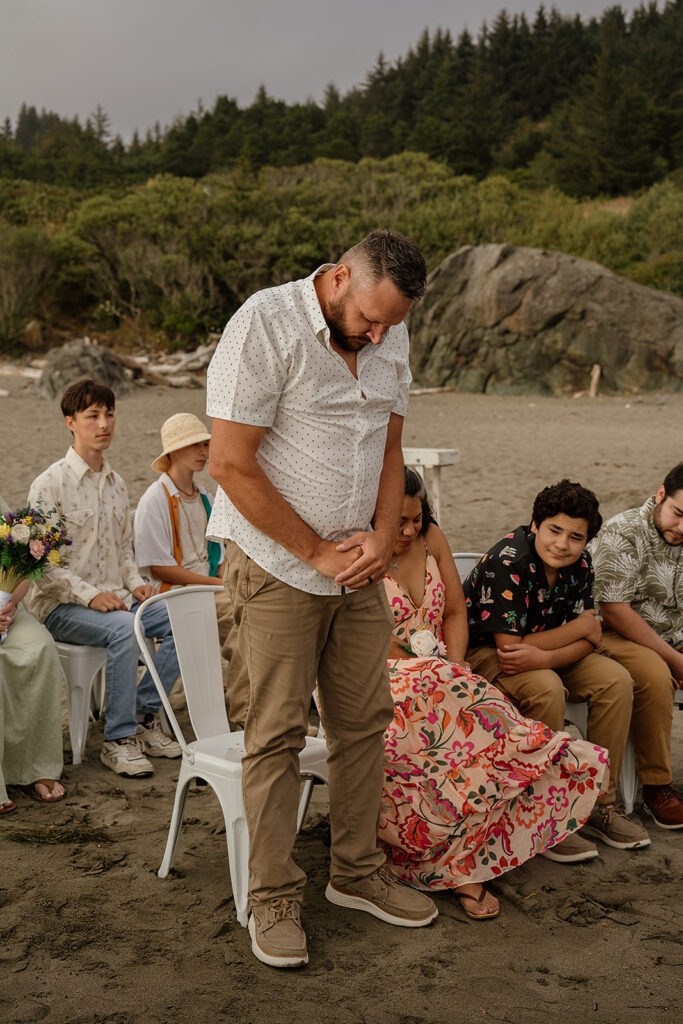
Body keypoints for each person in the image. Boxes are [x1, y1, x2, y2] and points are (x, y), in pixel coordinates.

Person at [207, 229, 438, 969]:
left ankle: (356, 872)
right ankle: (272, 897)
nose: (377, 335)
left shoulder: (389, 334)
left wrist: (378, 536)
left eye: (390, 326)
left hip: (358, 567)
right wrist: (314, 551)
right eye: (370, 319)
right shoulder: (263, 325)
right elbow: (229, 463)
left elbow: (389, 447)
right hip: (278, 566)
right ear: (338, 277)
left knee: (363, 723)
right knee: (274, 733)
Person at [379, 471, 607, 917]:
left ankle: (529, 787)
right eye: (398, 521)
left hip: (443, 666)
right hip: (377, 674)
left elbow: (455, 611)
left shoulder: (431, 537)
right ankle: (460, 866)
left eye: (416, 519)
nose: (409, 530)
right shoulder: (361, 549)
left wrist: (456, 664)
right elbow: (357, 634)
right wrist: (428, 667)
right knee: (457, 726)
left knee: (484, 715)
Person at [463, 479, 651, 855]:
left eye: (576, 537)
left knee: (615, 680)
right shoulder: (508, 561)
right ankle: (541, 812)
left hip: (549, 650)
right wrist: (579, 631)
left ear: (585, 541)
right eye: (554, 530)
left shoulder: (581, 563)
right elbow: (509, 650)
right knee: (546, 687)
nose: (562, 544)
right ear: (535, 525)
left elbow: (592, 638)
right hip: (485, 653)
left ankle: (598, 803)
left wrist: (555, 651)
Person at [26, 379, 181, 779]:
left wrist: (135, 584)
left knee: (184, 618)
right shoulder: (50, 484)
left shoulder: (117, 484)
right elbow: (41, 567)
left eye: (109, 414)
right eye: (92, 415)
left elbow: (125, 551)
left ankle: (143, 712)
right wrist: (90, 595)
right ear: (70, 422)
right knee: (125, 629)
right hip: (62, 607)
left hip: (117, 599)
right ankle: (118, 739)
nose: (104, 423)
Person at [133, 413, 248, 723]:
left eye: (204, 444)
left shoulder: (205, 497)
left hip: (207, 588)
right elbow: (158, 568)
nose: (202, 451)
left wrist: (224, 582)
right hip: (173, 593)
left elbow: (220, 558)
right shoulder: (154, 499)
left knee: (253, 614)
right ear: (172, 452)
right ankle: (245, 708)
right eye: (192, 445)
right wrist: (215, 585)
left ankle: (248, 700)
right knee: (242, 620)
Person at [589, 462, 683, 829]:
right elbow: (614, 610)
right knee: (655, 673)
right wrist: (676, 659)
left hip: (673, 638)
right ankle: (658, 787)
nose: (682, 528)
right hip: (616, 633)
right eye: (678, 514)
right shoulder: (624, 531)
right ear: (661, 495)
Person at [0, 495, 65, 813]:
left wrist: (9, 603)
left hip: (5, 608)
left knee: (39, 646)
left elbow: (21, 568)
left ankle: (36, 766)